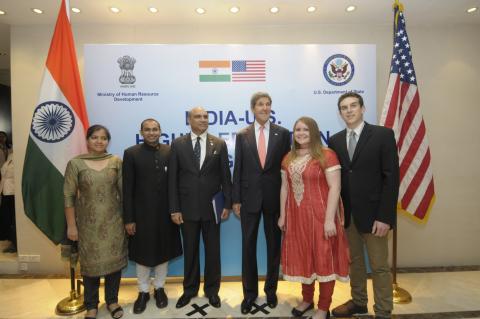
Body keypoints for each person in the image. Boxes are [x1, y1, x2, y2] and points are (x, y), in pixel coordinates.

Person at [329, 93, 399, 319]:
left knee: (379, 267)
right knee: (355, 263)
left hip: (375, 216)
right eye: (344, 108)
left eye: (353, 106)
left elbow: (391, 178)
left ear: (362, 108)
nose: (348, 110)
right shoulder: (336, 140)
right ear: (340, 113)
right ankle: (359, 302)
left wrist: (385, 217)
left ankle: (383, 311)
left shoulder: (382, 135)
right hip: (348, 216)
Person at [278, 117, 350, 319]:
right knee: (303, 257)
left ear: (314, 132)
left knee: (323, 258)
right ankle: (307, 300)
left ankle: (323, 308)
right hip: (297, 217)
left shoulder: (327, 155)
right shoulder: (288, 158)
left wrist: (329, 220)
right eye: (297, 130)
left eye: (306, 130)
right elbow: (284, 188)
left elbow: (335, 187)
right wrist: (283, 215)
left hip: (321, 216)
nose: (301, 133)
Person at [232, 92, 291, 314]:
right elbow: (238, 168)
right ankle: (249, 294)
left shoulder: (283, 134)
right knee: (248, 247)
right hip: (248, 200)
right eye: (260, 105)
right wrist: (235, 198)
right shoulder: (242, 135)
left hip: (275, 199)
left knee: (274, 247)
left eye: (268, 104)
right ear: (253, 108)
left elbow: (286, 168)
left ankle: (271, 290)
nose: (264, 108)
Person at [168, 107, 232, 309]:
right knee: (191, 251)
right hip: (186, 209)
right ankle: (189, 290)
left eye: (205, 116)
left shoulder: (219, 144)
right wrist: (174, 208)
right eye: (198, 116)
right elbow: (173, 180)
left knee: (213, 251)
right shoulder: (178, 144)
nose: (203, 120)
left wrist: (227, 204)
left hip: (213, 208)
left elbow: (225, 177)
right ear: (189, 120)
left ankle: (212, 291)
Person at [64, 125, 128, 319]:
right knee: (90, 265)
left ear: (108, 141)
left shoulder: (116, 161)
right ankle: (91, 304)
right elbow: (68, 195)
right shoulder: (76, 163)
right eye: (95, 137)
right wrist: (71, 225)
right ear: (88, 140)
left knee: (114, 264)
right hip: (87, 224)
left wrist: (129, 220)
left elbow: (124, 192)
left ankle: (112, 301)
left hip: (114, 221)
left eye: (103, 138)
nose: (99, 141)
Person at [122, 118, 183, 314]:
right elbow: (127, 189)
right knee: (142, 254)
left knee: (163, 251)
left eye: (155, 129)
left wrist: (175, 209)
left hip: (166, 213)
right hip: (141, 214)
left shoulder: (170, 151)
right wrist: (129, 218)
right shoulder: (131, 153)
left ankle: (159, 288)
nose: (151, 133)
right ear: (141, 132)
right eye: (147, 130)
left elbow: (175, 183)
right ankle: (142, 291)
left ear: (160, 131)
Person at [0, 148, 16, 253]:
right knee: (6, 217)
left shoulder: (18, 157)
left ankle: (13, 242)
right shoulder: (10, 155)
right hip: (5, 191)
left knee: (12, 218)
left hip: (13, 192)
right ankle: (9, 239)